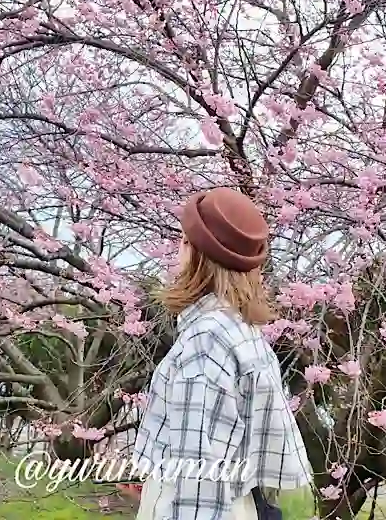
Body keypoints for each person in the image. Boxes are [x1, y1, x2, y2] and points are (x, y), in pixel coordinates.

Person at [131, 187, 312, 520]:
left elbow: (199, 475)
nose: (177, 255)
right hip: (237, 503)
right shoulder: (241, 330)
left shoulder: (206, 341)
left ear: (199, 256)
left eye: (185, 243)